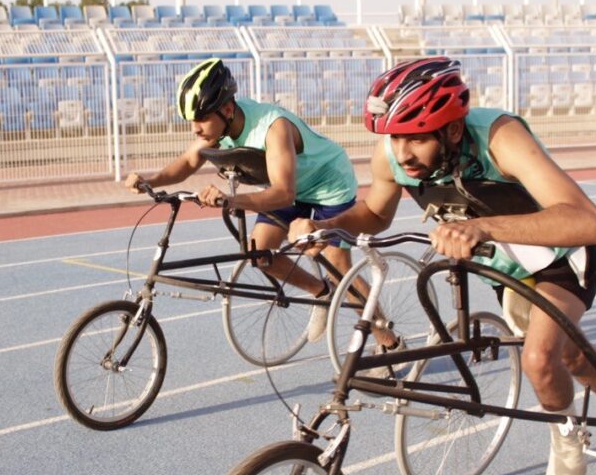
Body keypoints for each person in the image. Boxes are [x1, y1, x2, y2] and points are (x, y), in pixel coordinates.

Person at [289, 57, 596, 475]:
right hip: (505, 263)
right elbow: (373, 214)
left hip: (560, 256)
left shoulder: (501, 138)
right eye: (395, 138)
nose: (402, 153)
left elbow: (589, 222)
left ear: (452, 130)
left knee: (541, 357)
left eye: (416, 138)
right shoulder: (392, 155)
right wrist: (326, 226)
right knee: (567, 355)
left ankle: (573, 442)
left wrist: (482, 227)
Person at [124, 58, 399, 351]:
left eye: (201, 119)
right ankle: (321, 292)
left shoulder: (272, 127)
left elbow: (283, 194)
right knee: (259, 252)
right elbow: (189, 162)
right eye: (191, 121)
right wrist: (151, 180)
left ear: (226, 109)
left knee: (338, 268)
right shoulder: (218, 129)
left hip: (328, 184)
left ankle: (389, 343)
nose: (195, 129)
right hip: (289, 187)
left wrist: (231, 200)